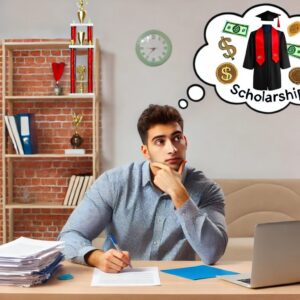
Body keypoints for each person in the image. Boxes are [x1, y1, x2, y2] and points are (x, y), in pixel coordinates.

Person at [59, 104, 228, 273]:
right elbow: (68, 237)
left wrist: (178, 193)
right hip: (123, 280)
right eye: (160, 141)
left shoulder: (207, 190)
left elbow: (212, 253)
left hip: (177, 285)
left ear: (185, 141)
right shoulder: (113, 183)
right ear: (145, 151)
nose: (172, 149)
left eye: (177, 138)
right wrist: (97, 257)